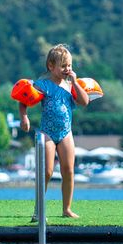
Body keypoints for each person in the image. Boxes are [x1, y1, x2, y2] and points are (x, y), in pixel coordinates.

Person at [19, 44, 89, 219]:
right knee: (47, 171)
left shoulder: (70, 85)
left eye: (70, 66)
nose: (67, 69)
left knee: (68, 170)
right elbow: (24, 98)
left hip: (66, 132)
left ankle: (66, 209)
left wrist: (75, 82)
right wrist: (24, 117)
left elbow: (84, 101)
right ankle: (38, 210)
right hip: (46, 133)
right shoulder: (43, 84)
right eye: (63, 66)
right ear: (51, 66)